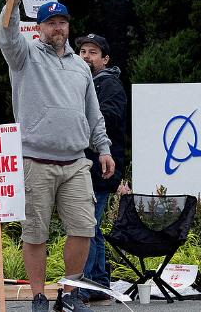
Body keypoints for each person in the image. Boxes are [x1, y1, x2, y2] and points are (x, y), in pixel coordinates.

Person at [0, 0, 115, 312]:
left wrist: (103, 148)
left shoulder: (80, 66)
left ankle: (70, 292)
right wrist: (13, 3)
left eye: (62, 22)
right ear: (38, 27)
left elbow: (93, 112)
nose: (57, 27)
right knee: (35, 232)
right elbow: (7, 35)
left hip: (77, 161)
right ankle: (38, 296)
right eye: (51, 22)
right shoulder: (24, 55)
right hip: (35, 159)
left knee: (84, 228)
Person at [74, 33, 127, 302]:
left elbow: (106, 120)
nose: (86, 56)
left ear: (105, 59)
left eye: (93, 52)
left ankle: (86, 286)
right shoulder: (83, 83)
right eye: (82, 51)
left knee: (86, 226)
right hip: (88, 167)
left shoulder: (109, 86)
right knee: (90, 225)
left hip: (100, 168)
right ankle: (98, 282)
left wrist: (76, 117)